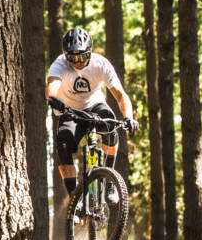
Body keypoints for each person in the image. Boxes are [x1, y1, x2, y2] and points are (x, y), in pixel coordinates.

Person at [46, 28, 139, 202]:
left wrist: (128, 118)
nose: (78, 62)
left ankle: (110, 180)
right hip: (70, 111)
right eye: (72, 58)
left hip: (95, 106)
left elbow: (120, 95)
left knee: (111, 127)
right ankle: (75, 199)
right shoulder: (59, 64)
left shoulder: (100, 64)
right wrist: (52, 98)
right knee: (63, 146)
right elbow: (52, 85)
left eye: (82, 57)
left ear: (90, 52)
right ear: (66, 56)